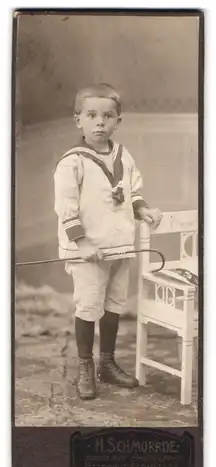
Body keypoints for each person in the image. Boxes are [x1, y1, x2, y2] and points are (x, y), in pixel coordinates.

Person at [54, 83, 162, 400]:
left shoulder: (123, 155)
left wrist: (144, 210)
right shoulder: (72, 162)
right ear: (78, 120)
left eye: (107, 116)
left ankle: (107, 363)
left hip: (120, 246)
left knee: (114, 304)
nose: (99, 122)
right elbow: (66, 208)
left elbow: (133, 193)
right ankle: (85, 367)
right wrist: (82, 244)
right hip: (88, 252)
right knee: (89, 307)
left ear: (118, 121)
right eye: (91, 115)